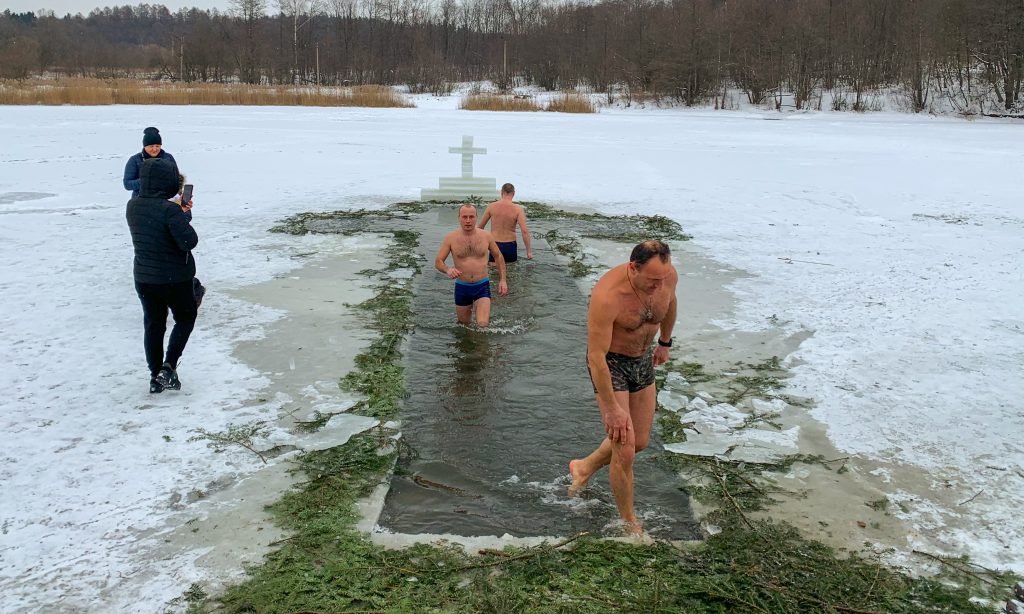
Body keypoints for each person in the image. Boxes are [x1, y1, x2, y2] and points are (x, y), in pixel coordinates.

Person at [568, 240, 678, 535]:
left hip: (642, 359)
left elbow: (670, 303)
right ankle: (629, 521)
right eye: (652, 280)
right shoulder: (608, 296)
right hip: (611, 364)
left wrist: (665, 342)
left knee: (639, 441)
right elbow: (596, 357)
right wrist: (613, 409)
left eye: (662, 279)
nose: (658, 285)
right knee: (624, 448)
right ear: (633, 268)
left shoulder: (667, 277)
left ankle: (585, 466)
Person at [125, 157, 198, 393]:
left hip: (145, 277)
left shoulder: (132, 206)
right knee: (185, 318)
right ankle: (168, 367)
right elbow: (189, 241)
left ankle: (155, 377)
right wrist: (183, 213)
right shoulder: (169, 210)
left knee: (154, 325)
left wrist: (177, 212)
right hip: (175, 277)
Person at [435, 204, 509, 327]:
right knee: (464, 326)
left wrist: (503, 280)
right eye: (464, 217)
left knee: (482, 325)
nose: (468, 220)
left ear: (476, 217)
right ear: (459, 218)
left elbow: (498, 256)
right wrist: (448, 270)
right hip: (462, 287)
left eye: (471, 217)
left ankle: (482, 346)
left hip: (482, 286)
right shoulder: (451, 238)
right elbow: (438, 261)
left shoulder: (486, 236)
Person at [478, 182, 533, 263]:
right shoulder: (518, 209)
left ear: (501, 193)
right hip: (510, 245)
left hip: (494, 245)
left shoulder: (491, 206)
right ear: (513, 193)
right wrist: (529, 252)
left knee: (494, 271)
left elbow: (480, 228)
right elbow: (524, 231)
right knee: (511, 272)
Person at [124, 127, 176, 198]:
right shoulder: (135, 160)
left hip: (164, 200)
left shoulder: (168, 158)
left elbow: (176, 180)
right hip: (141, 201)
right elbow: (127, 184)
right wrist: (146, 181)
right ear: (145, 146)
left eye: (157, 146)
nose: (154, 149)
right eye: (151, 146)